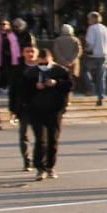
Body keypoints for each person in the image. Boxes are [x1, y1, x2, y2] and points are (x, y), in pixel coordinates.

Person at [24, 47, 71, 180]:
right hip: (37, 110)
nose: (43, 66)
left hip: (54, 110)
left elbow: (69, 85)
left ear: (51, 60)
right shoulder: (31, 73)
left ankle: (50, 166)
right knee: (40, 139)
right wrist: (35, 87)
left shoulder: (60, 71)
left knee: (53, 139)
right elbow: (24, 91)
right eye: (40, 63)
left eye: (46, 63)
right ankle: (40, 167)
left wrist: (56, 83)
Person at [83, 12, 107, 106]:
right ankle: (101, 96)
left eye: (89, 19)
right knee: (101, 76)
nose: (88, 21)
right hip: (104, 55)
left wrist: (87, 50)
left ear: (93, 19)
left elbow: (91, 42)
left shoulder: (91, 28)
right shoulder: (105, 28)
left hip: (94, 55)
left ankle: (91, 88)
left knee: (84, 70)